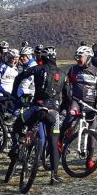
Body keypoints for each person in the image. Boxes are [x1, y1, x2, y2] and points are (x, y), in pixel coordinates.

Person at [10, 46, 64, 184]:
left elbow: (19, 78)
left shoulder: (37, 69)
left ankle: (16, 147)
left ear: (43, 58)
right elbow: (68, 97)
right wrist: (60, 109)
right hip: (54, 113)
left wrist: (14, 96)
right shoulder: (63, 74)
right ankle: (54, 175)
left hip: (37, 108)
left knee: (18, 124)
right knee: (53, 141)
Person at [59, 46, 97, 165]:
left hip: (91, 105)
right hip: (76, 102)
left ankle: (89, 159)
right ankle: (59, 141)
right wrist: (65, 100)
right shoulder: (73, 70)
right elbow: (65, 84)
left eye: (80, 57)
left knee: (91, 132)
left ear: (88, 58)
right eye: (76, 57)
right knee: (69, 117)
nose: (77, 59)